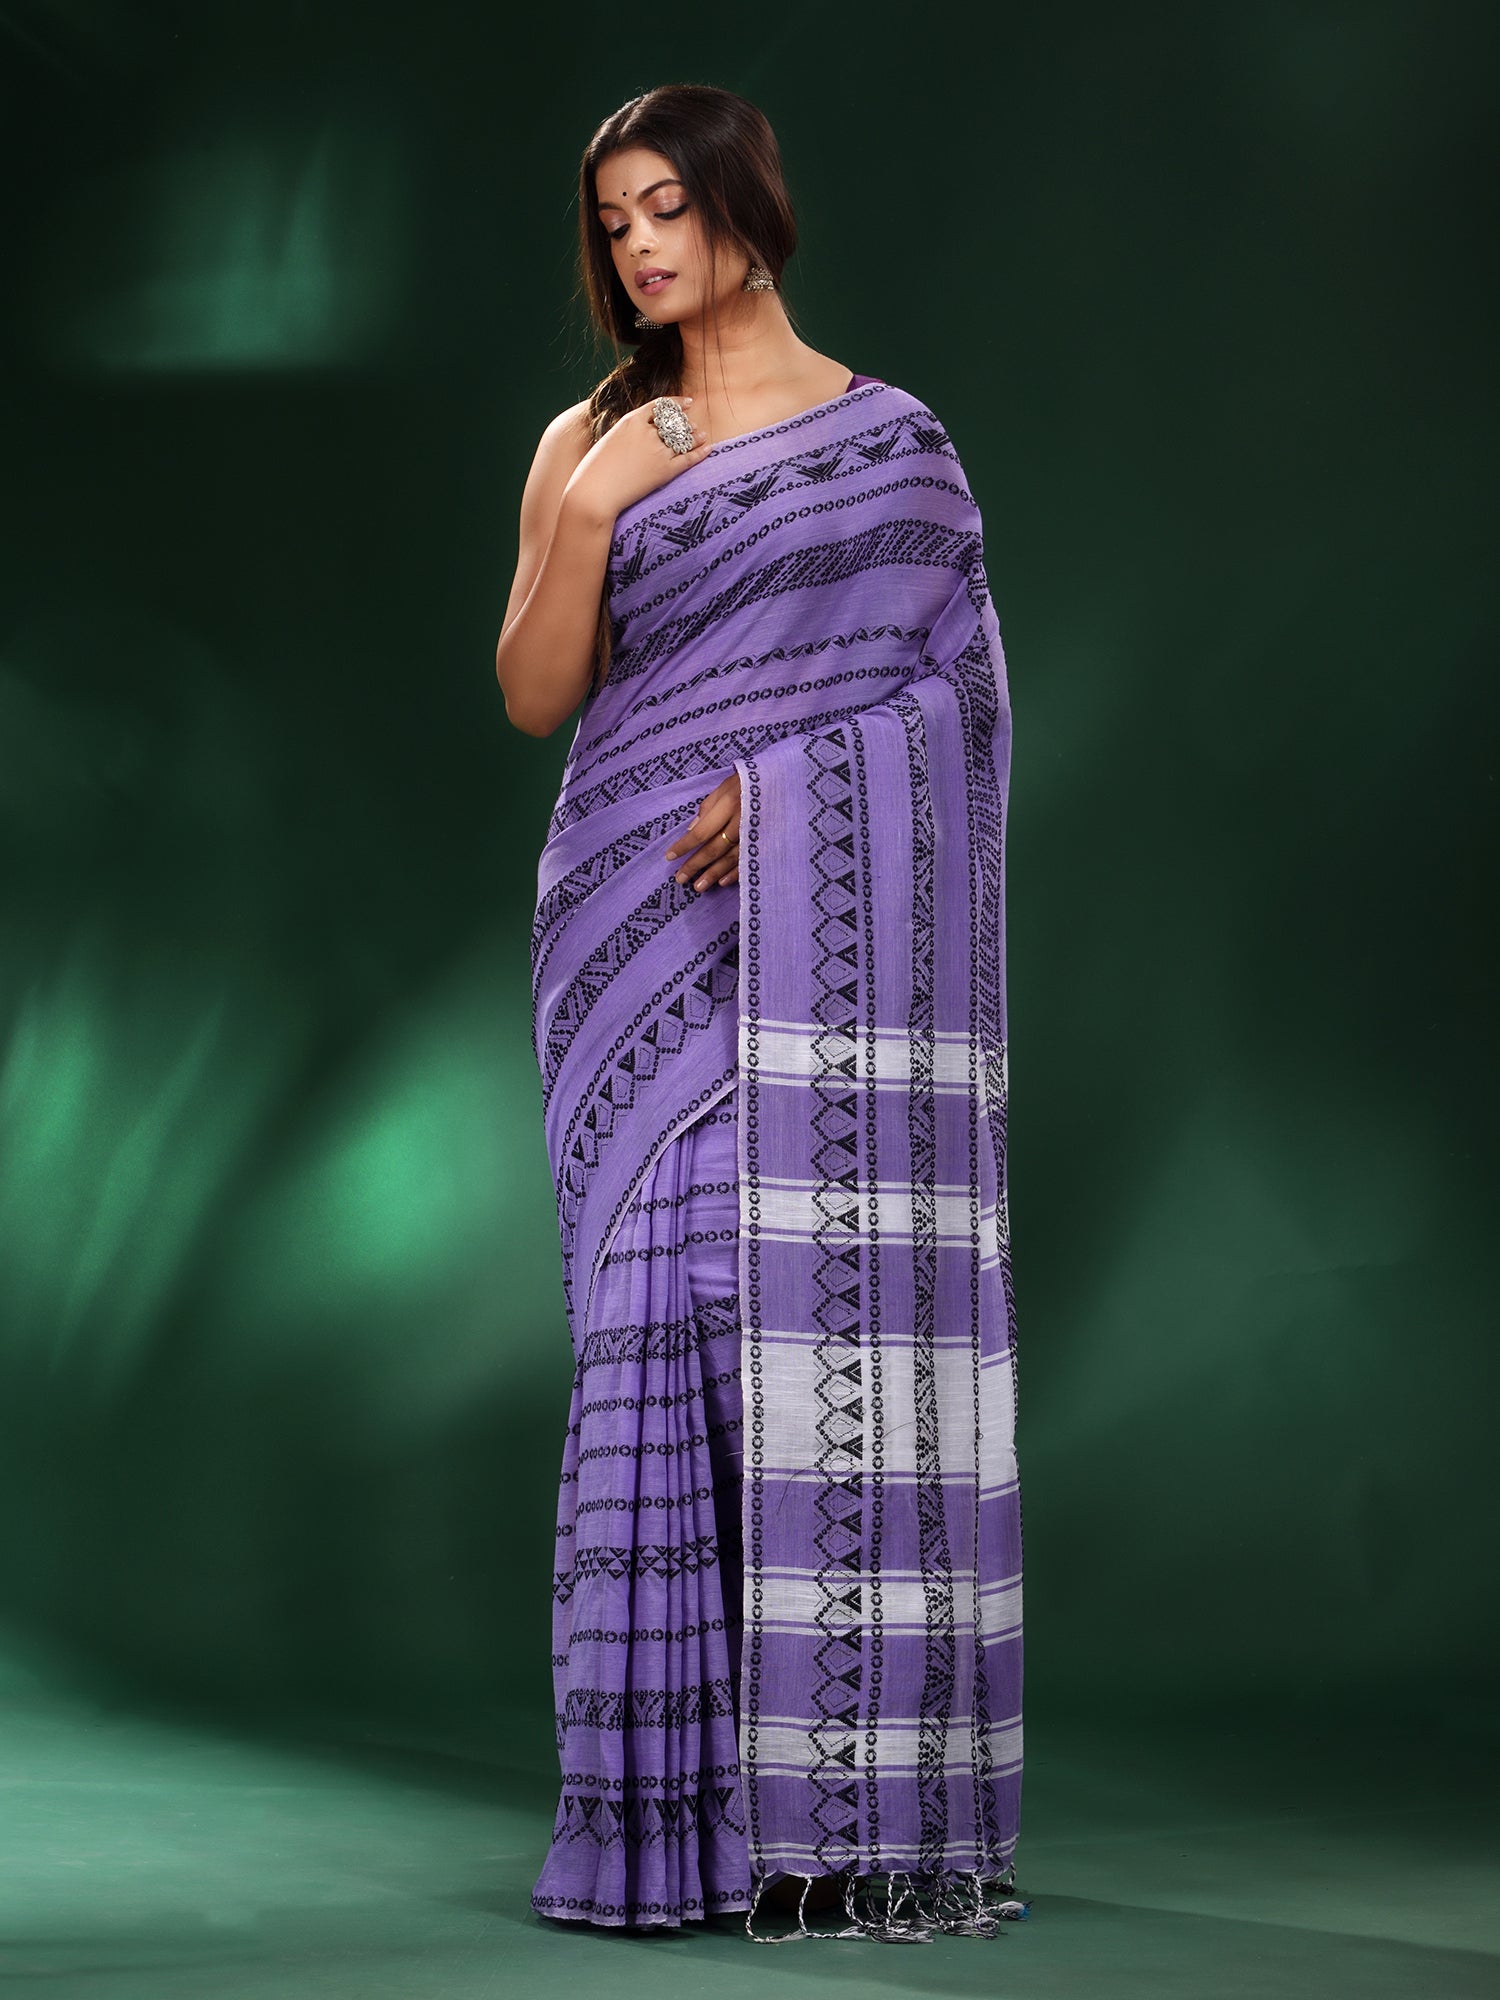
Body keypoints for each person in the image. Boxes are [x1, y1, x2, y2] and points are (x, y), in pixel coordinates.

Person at [495, 82, 1027, 1943]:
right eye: (614, 222)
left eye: (667, 206)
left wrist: (794, 797)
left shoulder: (896, 447)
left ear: (745, 206)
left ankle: (840, 1810)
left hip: (812, 952)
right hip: (628, 932)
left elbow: (958, 707)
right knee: (645, 1323)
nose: (640, 245)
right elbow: (535, 692)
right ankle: (659, 1825)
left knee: (790, 1324)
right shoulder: (592, 437)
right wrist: (589, 507)